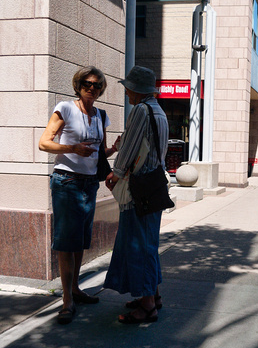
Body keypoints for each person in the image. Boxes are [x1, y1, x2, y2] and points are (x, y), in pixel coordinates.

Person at [39, 66, 118, 325]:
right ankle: (66, 301)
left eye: (97, 85)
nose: (92, 88)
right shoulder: (66, 108)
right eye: (87, 83)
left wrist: (113, 149)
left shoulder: (101, 115)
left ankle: (75, 289)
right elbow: (44, 142)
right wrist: (71, 147)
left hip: (88, 184)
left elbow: (96, 155)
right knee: (66, 243)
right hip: (67, 182)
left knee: (81, 240)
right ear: (78, 84)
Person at [104, 66, 168, 324]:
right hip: (153, 188)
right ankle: (151, 295)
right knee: (148, 244)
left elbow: (131, 147)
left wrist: (116, 173)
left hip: (138, 190)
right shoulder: (159, 111)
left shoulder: (141, 110)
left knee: (139, 246)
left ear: (137, 90)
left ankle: (148, 307)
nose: (126, 92)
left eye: (128, 88)